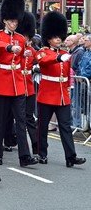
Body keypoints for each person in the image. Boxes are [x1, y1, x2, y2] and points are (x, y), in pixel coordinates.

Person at [0, 0, 38, 167]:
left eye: (16, 21)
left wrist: (26, 53)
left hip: (17, 84)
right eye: (11, 20)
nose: (14, 23)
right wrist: (10, 48)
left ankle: (25, 156)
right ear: (5, 20)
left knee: (21, 121)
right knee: (0, 121)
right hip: (2, 83)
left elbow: (25, 57)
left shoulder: (20, 38)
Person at [36, 11, 86, 167]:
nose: (58, 39)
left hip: (62, 96)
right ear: (48, 38)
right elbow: (44, 61)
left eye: (59, 36)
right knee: (43, 127)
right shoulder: (43, 52)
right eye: (55, 36)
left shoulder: (66, 54)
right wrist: (57, 58)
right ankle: (42, 154)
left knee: (65, 126)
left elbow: (65, 78)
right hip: (47, 95)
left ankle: (71, 156)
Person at [16, 11, 38, 154]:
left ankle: (36, 145)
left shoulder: (32, 51)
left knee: (29, 118)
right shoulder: (14, 51)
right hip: (15, 87)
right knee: (15, 119)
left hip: (28, 87)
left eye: (27, 37)